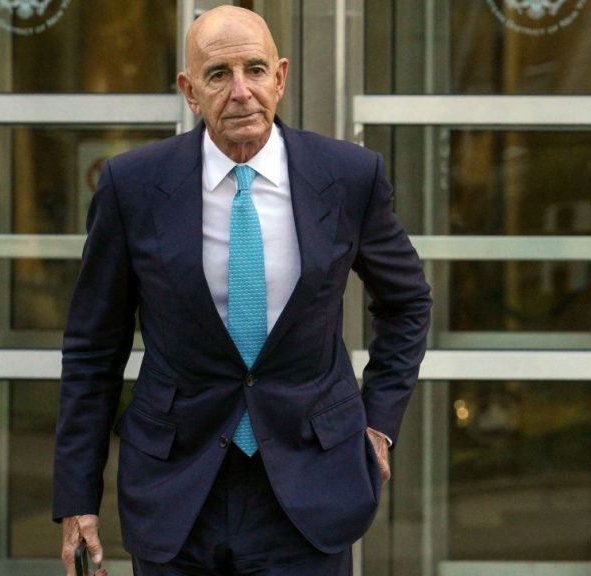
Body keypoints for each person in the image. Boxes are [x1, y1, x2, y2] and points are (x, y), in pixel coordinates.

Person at [53, 6, 431, 575]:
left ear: (280, 77)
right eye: (217, 75)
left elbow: (407, 303)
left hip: (310, 486)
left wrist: (378, 422)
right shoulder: (133, 186)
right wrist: (77, 495)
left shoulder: (349, 177)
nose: (240, 92)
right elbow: (93, 348)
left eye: (255, 69)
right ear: (189, 91)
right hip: (176, 489)